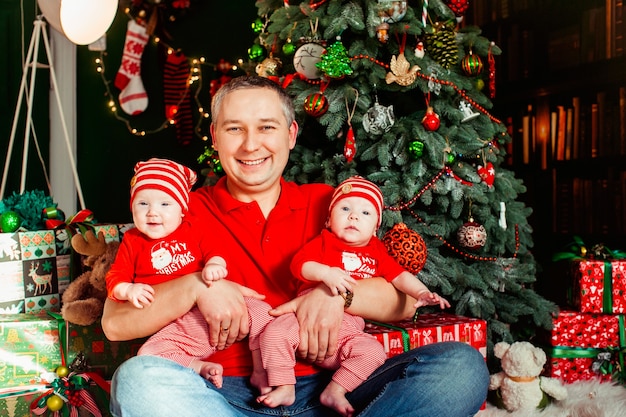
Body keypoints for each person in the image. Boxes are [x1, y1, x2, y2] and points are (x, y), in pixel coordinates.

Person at [102, 75, 489, 417]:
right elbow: (115, 324)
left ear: (290, 134)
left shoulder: (332, 204)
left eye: (266, 127)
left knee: (462, 368)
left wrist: (337, 295)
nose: (251, 145)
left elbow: (404, 303)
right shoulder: (178, 212)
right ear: (216, 137)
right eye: (235, 129)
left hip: (338, 386)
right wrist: (198, 287)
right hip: (221, 394)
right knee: (136, 381)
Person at [256, 176, 451, 416]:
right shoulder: (324, 241)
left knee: (373, 353)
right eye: (345, 208)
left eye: (365, 213)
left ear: (375, 227)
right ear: (328, 219)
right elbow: (300, 265)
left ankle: (336, 390)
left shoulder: (376, 251)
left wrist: (421, 292)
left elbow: (399, 276)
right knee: (273, 333)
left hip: (347, 329)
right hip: (304, 318)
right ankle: (284, 385)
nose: (354, 216)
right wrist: (325, 273)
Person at [105, 158, 272, 388]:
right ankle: (197, 366)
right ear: (132, 206)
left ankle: (262, 369)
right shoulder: (132, 241)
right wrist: (127, 289)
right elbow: (115, 278)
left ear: (182, 210)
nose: (153, 213)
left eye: (165, 205)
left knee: (263, 312)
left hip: (219, 308)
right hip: (180, 324)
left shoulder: (193, 228)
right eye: (143, 204)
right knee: (148, 354)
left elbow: (214, 251)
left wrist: (214, 265)